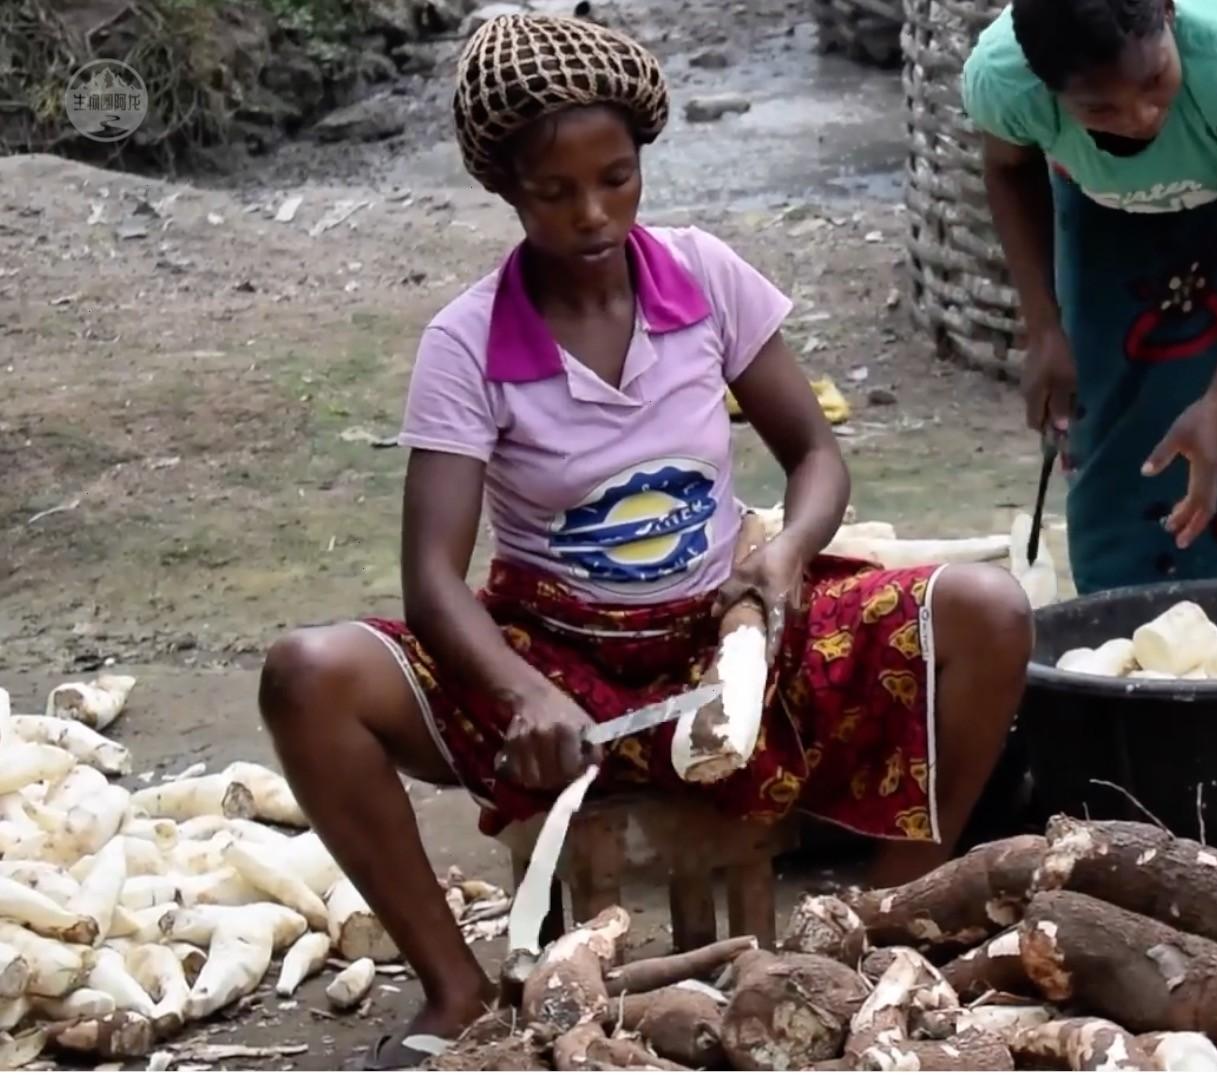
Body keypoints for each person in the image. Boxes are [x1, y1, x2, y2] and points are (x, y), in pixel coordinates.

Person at [255, 13, 1032, 1068]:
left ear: (642, 158)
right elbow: (433, 579)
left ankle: (886, 926)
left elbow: (816, 457)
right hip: (550, 660)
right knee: (307, 675)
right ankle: (454, 988)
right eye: (554, 192)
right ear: (503, 187)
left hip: (730, 642)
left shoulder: (705, 278)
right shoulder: (468, 343)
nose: (592, 215)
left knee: (987, 612)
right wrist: (523, 693)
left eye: (616, 179)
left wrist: (785, 556)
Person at [962, 0, 1217, 594]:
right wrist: (1044, 327)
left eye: (1153, 81)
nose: (1141, 115)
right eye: (1099, 107)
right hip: (1100, 190)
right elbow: (1009, 170)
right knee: (1104, 409)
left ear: (1169, 14)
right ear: (1047, 90)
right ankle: (1124, 620)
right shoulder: (1004, 80)